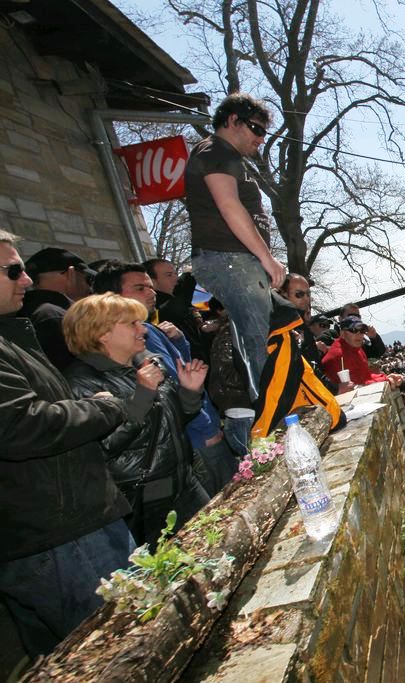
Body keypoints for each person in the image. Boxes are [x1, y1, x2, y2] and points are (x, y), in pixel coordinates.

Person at [0, 231, 134, 659]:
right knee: (122, 649)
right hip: (60, 536)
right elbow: (21, 424)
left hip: (76, 522)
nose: (26, 281)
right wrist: (106, 408)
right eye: (14, 271)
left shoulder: (12, 339)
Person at [62, 294, 211, 548]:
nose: (143, 329)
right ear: (101, 333)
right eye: (132, 323)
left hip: (185, 481)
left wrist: (189, 392)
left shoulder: (146, 363)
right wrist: (142, 395)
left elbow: (175, 420)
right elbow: (106, 444)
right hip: (147, 500)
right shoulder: (81, 383)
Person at [93, 261, 238, 492]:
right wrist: (205, 431)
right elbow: (165, 398)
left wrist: (180, 341)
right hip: (195, 441)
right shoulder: (129, 341)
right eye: (140, 288)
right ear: (111, 297)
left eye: (150, 287)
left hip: (204, 431)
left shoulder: (150, 329)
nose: (151, 293)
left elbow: (186, 374)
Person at [184, 93, 285, 403]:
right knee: (257, 341)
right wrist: (266, 258)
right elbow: (229, 206)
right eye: (257, 129)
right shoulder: (217, 151)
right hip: (230, 259)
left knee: (259, 336)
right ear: (232, 121)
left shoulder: (227, 157)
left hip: (235, 260)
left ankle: (273, 405)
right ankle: (271, 412)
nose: (260, 139)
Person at [19, 247, 96, 369]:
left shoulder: (24, 310)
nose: (90, 288)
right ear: (71, 274)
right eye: (88, 279)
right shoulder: (57, 316)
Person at [322, 315, 403, 388]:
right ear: (342, 333)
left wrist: (386, 377)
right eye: (354, 330)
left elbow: (366, 377)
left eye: (362, 330)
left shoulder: (356, 349)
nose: (359, 334)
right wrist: (386, 380)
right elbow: (358, 385)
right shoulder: (339, 355)